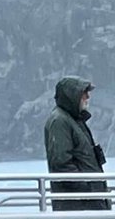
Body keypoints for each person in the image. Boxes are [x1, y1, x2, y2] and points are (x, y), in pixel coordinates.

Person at [44, 76, 107, 211]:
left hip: (89, 201)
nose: (87, 97)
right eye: (84, 93)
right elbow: (61, 164)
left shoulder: (74, 119)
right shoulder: (60, 121)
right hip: (78, 205)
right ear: (72, 95)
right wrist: (87, 189)